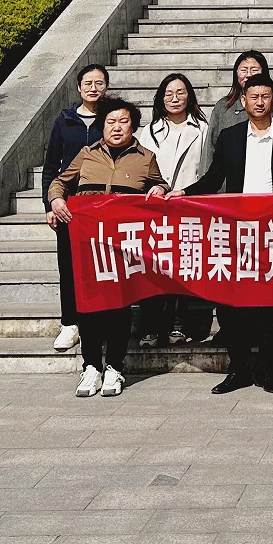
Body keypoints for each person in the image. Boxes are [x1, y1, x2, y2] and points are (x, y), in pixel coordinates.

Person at [191, 72, 273, 394]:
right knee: (231, 304)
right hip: (236, 230)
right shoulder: (230, 137)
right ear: (243, 101)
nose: (260, 102)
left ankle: (267, 370)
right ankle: (239, 369)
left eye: (265, 97)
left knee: (272, 305)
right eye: (254, 97)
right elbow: (213, 178)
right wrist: (183, 193)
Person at [46, 102, 169, 397]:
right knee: (88, 306)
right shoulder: (87, 154)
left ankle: (114, 366)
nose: (116, 127)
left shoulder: (145, 158)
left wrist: (160, 189)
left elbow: (160, 184)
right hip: (88, 241)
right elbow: (59, 182)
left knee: (119, 305)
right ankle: (91, 367)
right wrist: (56, 200)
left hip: (122, 245)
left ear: (133, 126)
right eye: (110, 121)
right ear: (102, 126)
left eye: (123, 121)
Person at [140, 72, 215, 347]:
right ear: (161, 98)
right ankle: (150, 326)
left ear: (189, 97)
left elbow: (206, 169)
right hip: (156, 208)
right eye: (169, 93)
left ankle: (178, 324)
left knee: (184, 267)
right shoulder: (149, 131)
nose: (175, 98)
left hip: (189, 207)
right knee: (153, 268)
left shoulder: (203, 129)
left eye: (180, 92)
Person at [44, 63, 111, 353]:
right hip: (68, 206)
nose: (93, 88)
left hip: (102, 205)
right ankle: (70, 323)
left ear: (106, 86)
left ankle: (100, 321)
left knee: (101, 265)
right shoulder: (64, 121)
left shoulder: (111, 118)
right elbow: (51, 167)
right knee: (69, 266)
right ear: (78, 87)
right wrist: (50, 203)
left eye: (99, 83)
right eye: (88, 83)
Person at [212, 50, 273, 143]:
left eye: (254, 70)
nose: (249, 75)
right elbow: (211, 144)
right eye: (244, 70)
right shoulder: (223, 106)